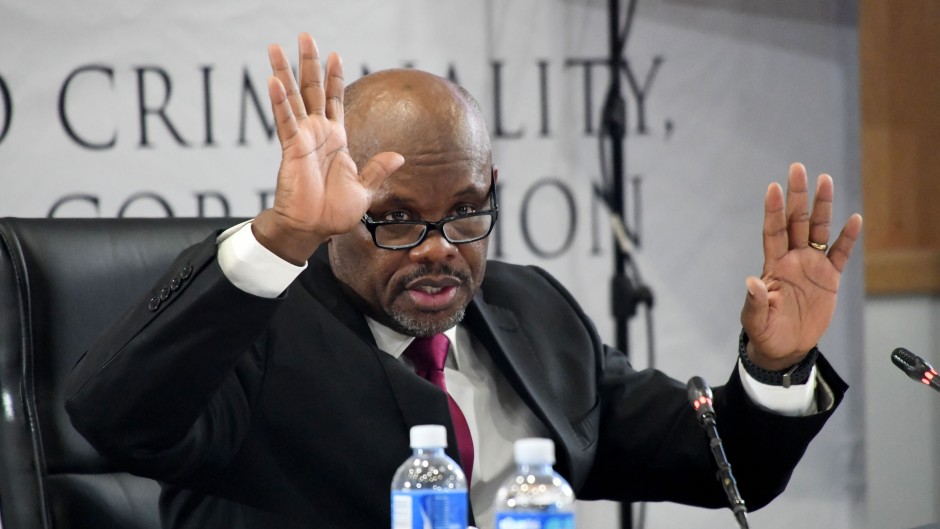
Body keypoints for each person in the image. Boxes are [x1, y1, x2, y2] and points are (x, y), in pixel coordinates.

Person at [64, 33, 863, 529]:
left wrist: (772, 370)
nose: (440, 249)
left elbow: (723, 468)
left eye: (467, 212)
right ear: (343, 213)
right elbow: (110, 414)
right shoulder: (259, 328)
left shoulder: (531, 310)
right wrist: (280, 237)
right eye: (399, 218)